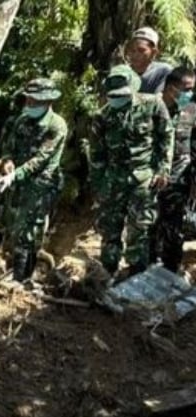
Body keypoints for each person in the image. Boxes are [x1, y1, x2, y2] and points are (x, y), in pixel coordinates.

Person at [91, 65, 174, 278]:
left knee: (140, 230)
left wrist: (163, 169)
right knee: (110, 230)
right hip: (112, 180)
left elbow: (166, 136)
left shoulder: (153, 105)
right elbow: (97, 154)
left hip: (143, 179)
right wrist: (98, 186)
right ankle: (107, 275)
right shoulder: (102, 116)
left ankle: (136, 276)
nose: (118, 99)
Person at [0, 78, 68, 282]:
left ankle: (22, 278)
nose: (29, 104)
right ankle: (12, 270)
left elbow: (41, 159)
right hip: (17, 182)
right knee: (12, 225)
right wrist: (7, 161)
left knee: (30, 230)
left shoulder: (56, 125)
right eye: (28, 99)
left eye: (35, 101)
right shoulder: (22, 120)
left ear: (48, 102)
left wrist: (14, 175)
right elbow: (8, 146)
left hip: (41, 185)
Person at [151, 66, 196, 272]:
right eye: (186, 89)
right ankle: (146, 267)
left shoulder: (191, 110)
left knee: (174, 228)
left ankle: (170, 271)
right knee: (148, 225)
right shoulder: (150, 108)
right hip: (152, 177)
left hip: (179, 180)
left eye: (192, 89)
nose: (190, 94)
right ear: (170, 88)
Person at [128, 27, 174, 95]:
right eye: (132, 50)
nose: (135, 55)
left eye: (141, 50)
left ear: (154, 52)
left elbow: (159, 99)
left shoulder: (163, 71)